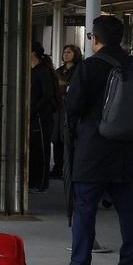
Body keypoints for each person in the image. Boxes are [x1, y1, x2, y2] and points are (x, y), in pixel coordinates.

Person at [52, 15, 133, 265]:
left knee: (85, 209)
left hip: (93, 148)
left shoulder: (90, 67)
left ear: (95, 39)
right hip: (126, 148)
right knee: (129, 210)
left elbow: (73, 106)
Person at [50, 45, 84, 180]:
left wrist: (64, 84)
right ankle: (58, 167)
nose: (66, 54)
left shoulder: (79, 69)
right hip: (58, 107)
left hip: (70, 107)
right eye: (64, 52)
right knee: (56, 138)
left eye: (69, 52)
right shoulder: (58, 71)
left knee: (68, 138)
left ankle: (70, 168)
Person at [29, 42, 58, 193]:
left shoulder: (43, 71)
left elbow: (47, 95)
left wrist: (33, 110)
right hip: (33, 116)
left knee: (41, 149)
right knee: (33, 150)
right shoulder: (31, 71)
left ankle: (41, 182)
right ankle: (33, 180)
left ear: (33, 53)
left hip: (41, 117)